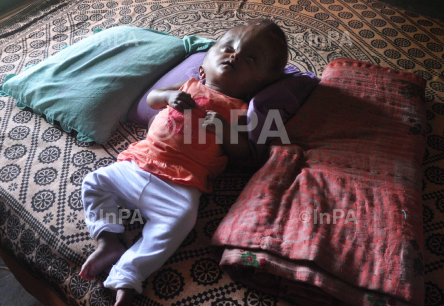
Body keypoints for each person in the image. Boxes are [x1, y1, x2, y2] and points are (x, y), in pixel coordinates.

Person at [79, 18, 289, 306]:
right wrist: (169, 95)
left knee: (178, 223)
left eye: (250, 58)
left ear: (259, 85)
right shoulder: (190, 85)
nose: (235, 55)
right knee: (94, 182)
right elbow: (152, 98)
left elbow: (246, 157)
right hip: (139, 163)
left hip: (181, 186)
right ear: (203, 66)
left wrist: (225, 132)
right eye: (228, 47)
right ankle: (108, 239)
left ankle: (128, 274)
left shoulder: (241, 112)